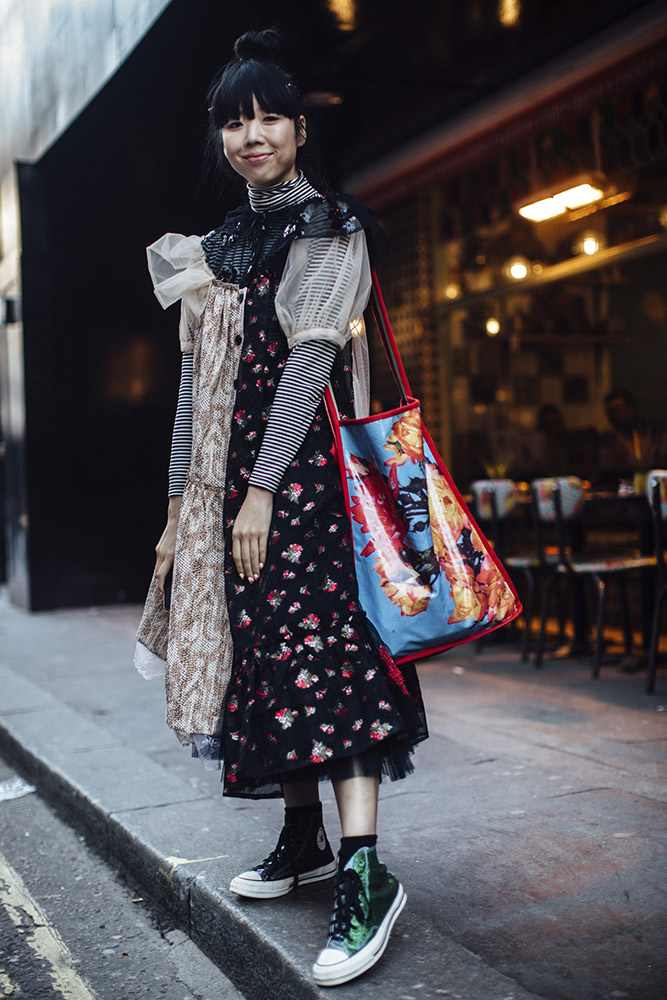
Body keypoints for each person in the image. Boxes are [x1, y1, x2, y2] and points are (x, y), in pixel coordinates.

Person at [134, 29, 427, 988]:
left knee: (327, 664)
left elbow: (306, 368)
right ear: (221, 137)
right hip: (228, 495)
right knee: (264, 663)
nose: (251, 134)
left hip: (303, 493)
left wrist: (261, 492)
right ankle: (301, 837)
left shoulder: (328, 226)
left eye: (268, 117)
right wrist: (184, 505)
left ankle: (364, 874)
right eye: (234, 120)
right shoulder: (209, 252)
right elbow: (190, 393)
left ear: (299, 129)